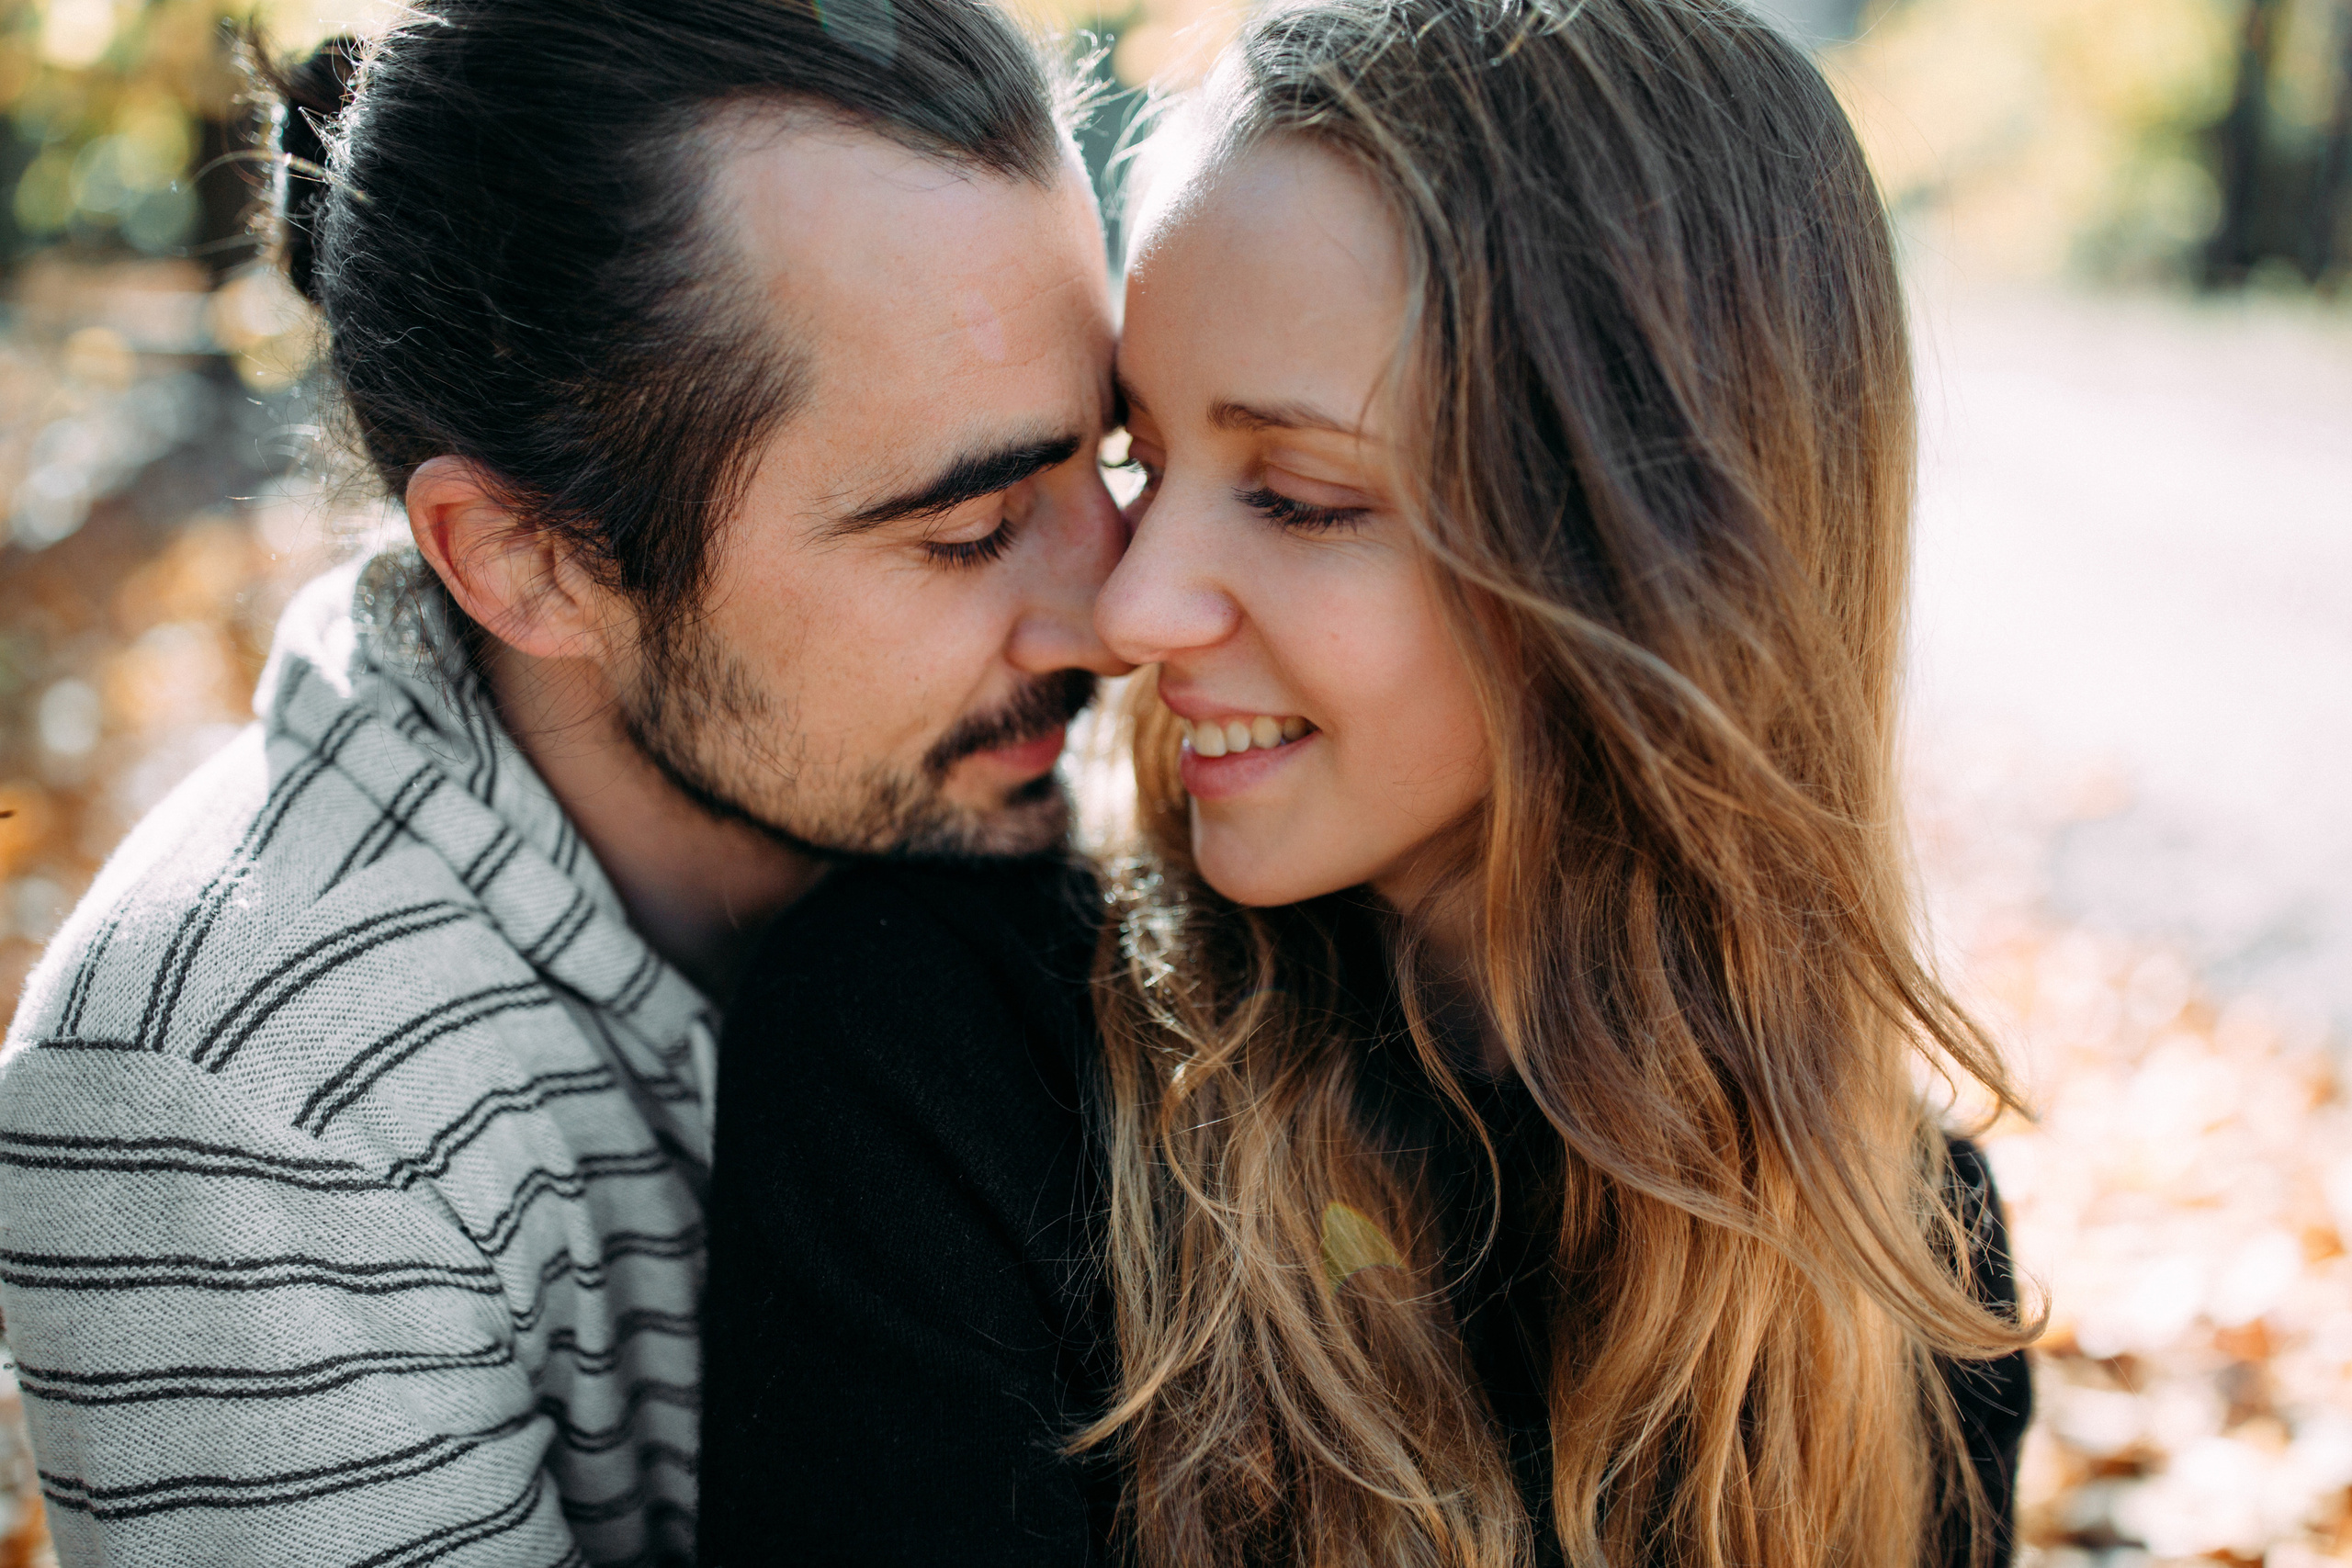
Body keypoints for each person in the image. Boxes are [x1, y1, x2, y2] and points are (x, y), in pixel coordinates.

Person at [700, 0, 2038, 1563]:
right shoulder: (946, 1061)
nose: (1131, 612)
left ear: (1658, 561)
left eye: (1298, 495)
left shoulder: (1903, 1259)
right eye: (1146, 461)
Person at [0, 2, 1131, 1563]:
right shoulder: (245, 1095)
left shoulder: (1082, 779)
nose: (1126, 608)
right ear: (532, 564)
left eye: (1112, 461)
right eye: (968, 530)